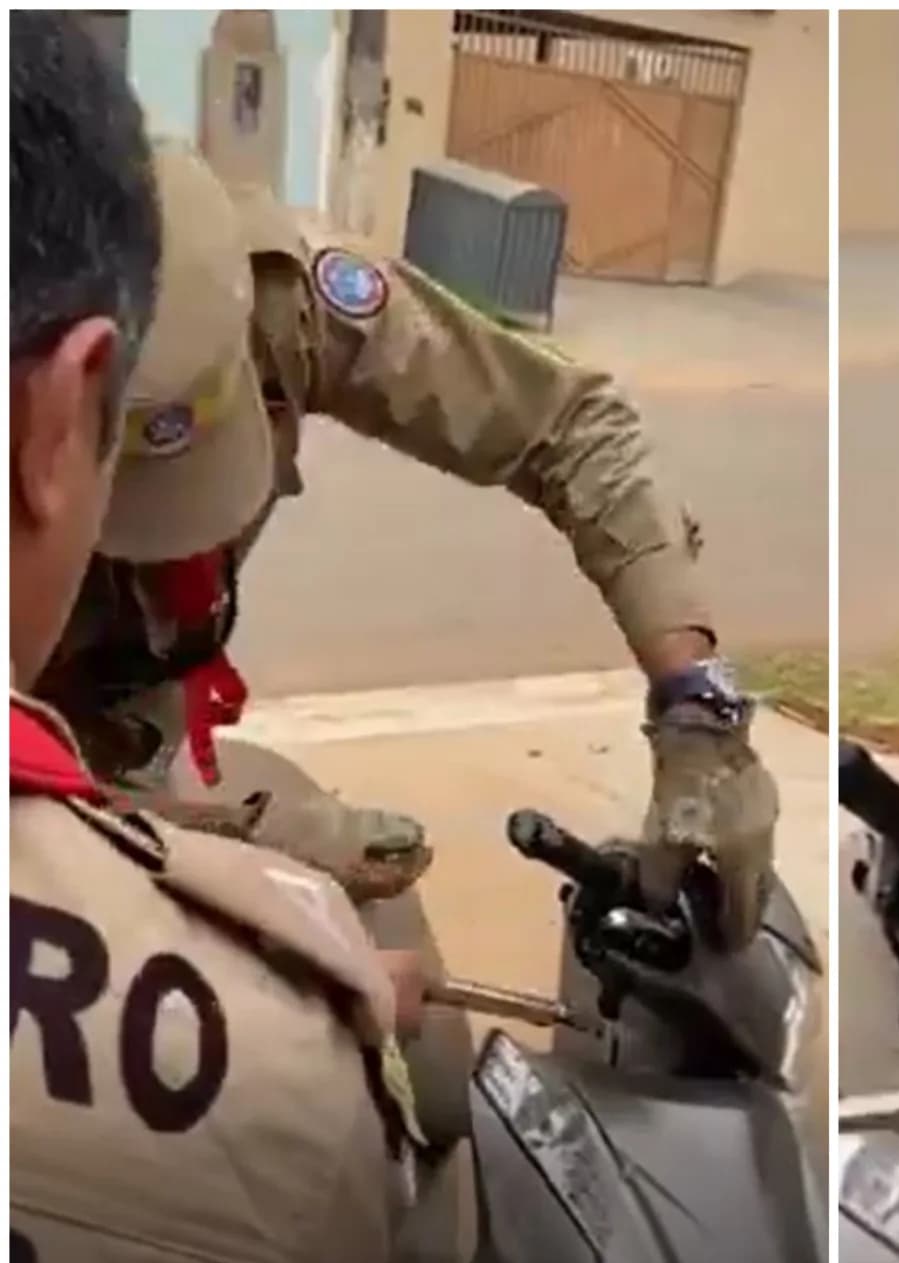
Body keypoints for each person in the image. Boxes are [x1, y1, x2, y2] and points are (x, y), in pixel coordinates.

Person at [34, 142, 777, 950]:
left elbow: (571, 426)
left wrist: (697, 707)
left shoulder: (278, 299)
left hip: (139, 732)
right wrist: (222, 840)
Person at [10, 12, 423, 1263]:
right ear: (64, 417)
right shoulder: (270, 1083)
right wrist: (309, 1009)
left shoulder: (316, 301)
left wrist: (686, 682)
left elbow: (563, 431)